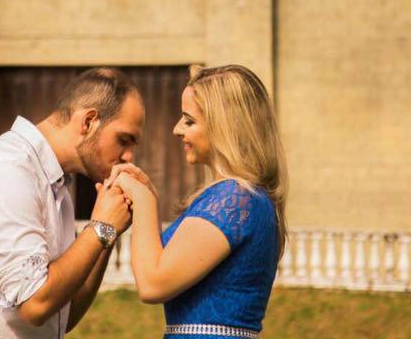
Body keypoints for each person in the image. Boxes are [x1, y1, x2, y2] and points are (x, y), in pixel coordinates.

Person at [0, 67, 145, 339]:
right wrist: (101, 227)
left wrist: (107, 233)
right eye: (124, 139)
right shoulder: (5, 172)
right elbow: (35, 305)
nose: (129, 156)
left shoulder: (55, 187)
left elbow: (61, 315)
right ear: (88, 121)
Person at [107, 64, 288, 339]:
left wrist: (142, 201)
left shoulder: (234, 199)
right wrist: (149, 195)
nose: (177, 129)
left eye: (189, 121)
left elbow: (152, 284)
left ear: (224, 127)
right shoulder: (248, 199)